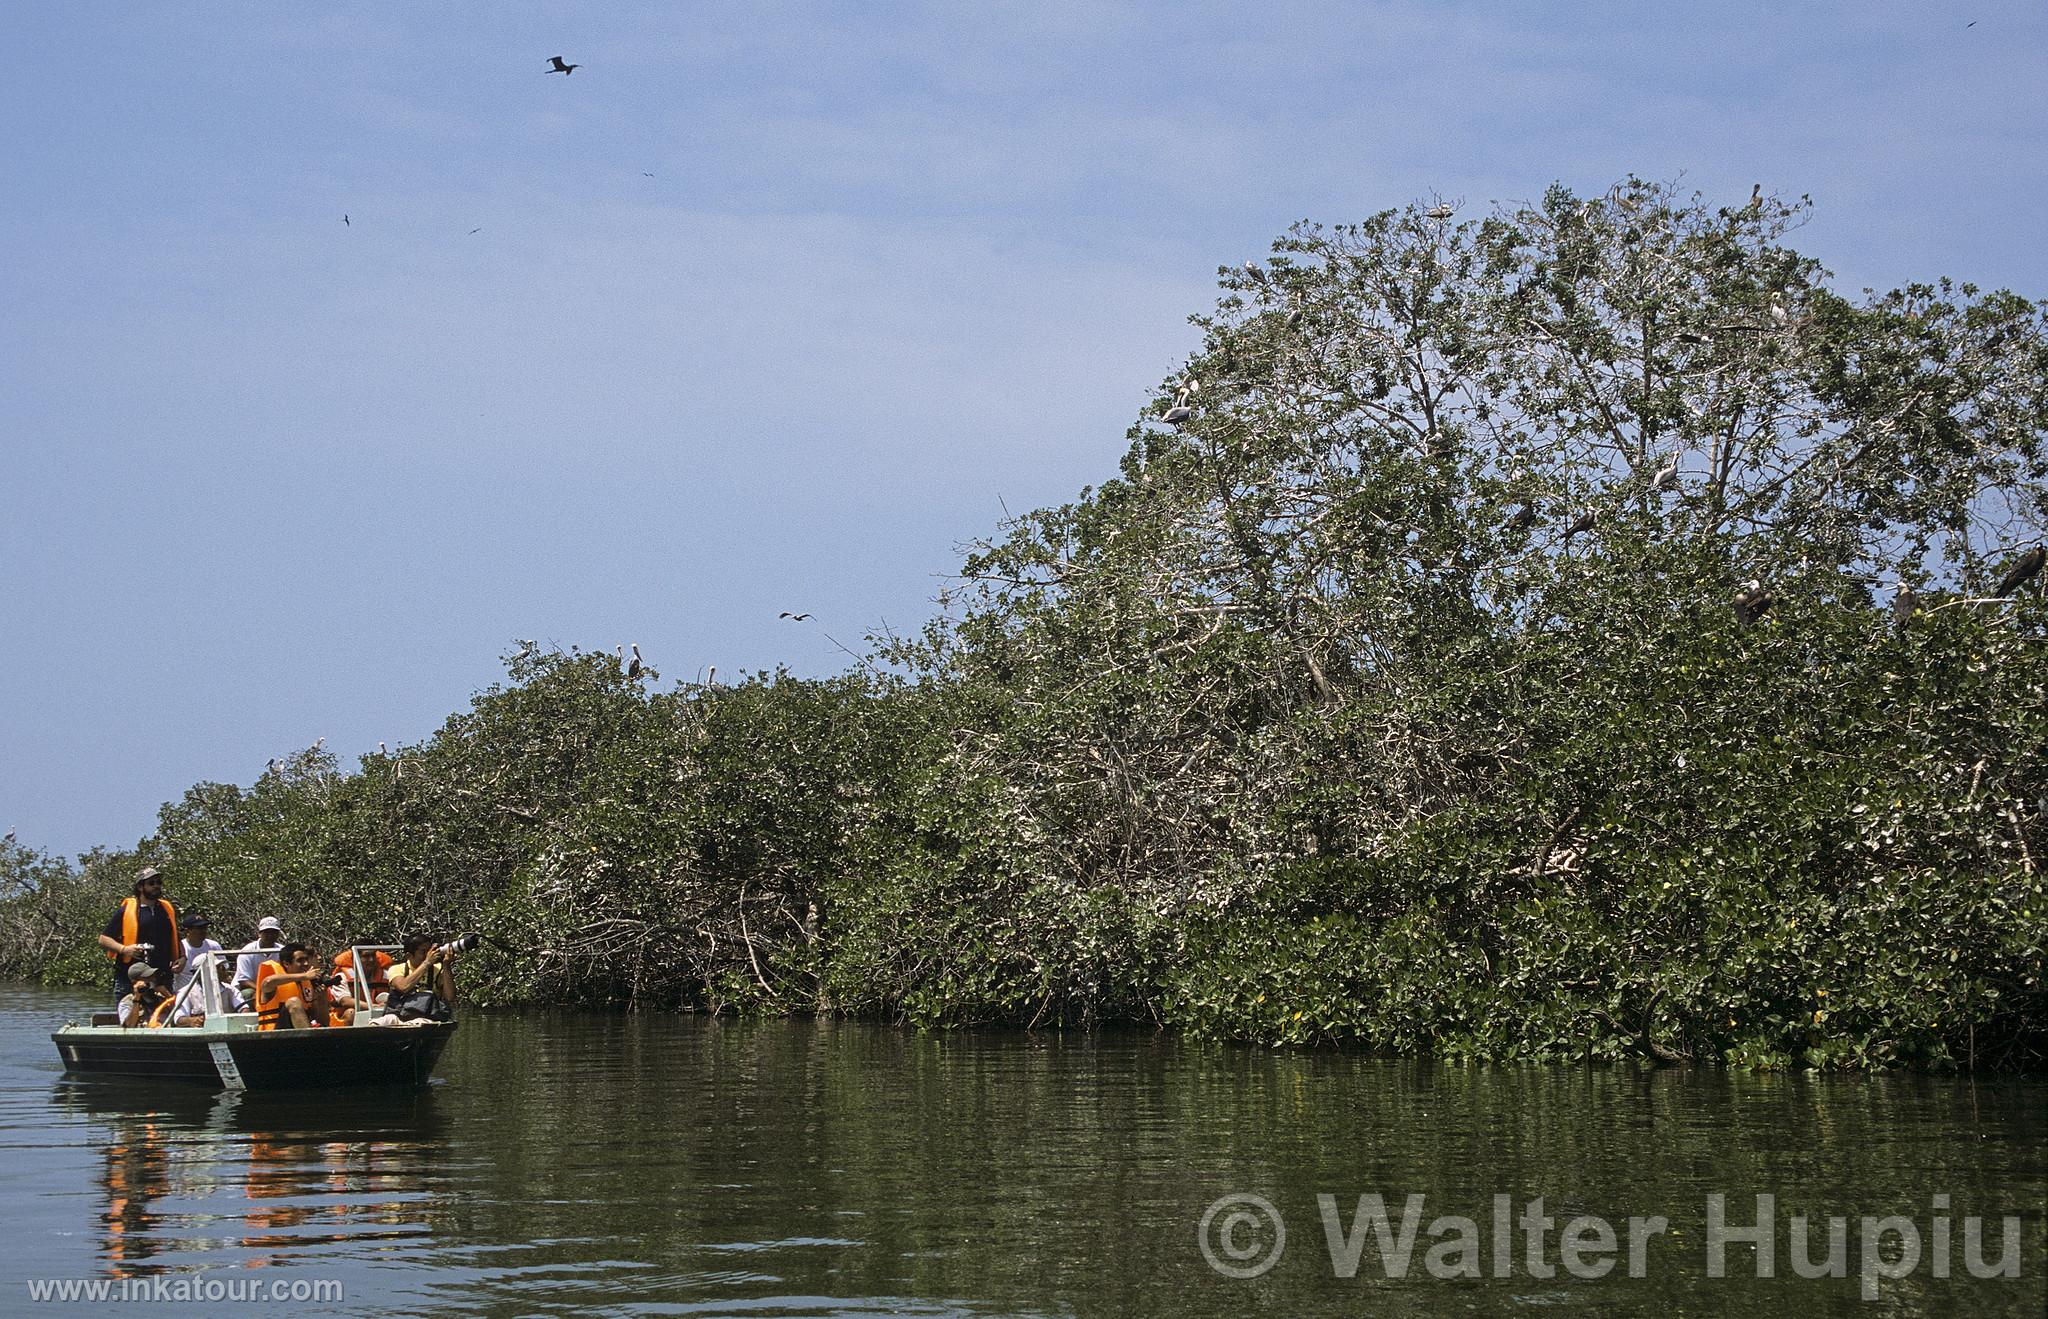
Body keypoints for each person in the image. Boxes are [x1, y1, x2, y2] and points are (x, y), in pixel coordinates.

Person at [97, 866, 181, 1001]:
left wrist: (182, 958)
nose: (156, 886)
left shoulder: (166, 909)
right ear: (141, 887)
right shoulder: (126, 910)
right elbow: (103, 939)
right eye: (151, 883)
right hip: (129, 978)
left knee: (162, 1018)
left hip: (162, 977)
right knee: (130, 1018)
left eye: (159, 882)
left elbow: (175, 938)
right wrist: (124, 949)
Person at [253, 942, 329, 1031]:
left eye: (306, 959)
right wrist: (305, 976)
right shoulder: (274, 982)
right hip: (273, 1035)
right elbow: (267, 982)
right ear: (286, 964)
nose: (306, 963)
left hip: (300, 1034)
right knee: (294, 1002)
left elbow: (323, 1022)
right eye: (300, 960)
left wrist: (322, 1000)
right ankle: (309, 1041)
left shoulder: (308, 984)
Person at [382, 933, 458, 1021]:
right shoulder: (397, 969)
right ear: (409, 956)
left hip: (428, 1017)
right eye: (423, 952)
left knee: (420, 1021)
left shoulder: (438, 969)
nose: (429, 955)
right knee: (386, 1020)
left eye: (429, 951)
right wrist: (427, 963)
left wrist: (446, 966)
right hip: (400, 1015)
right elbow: (403, 987)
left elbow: (450, 997)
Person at [234, 916, 286, 1006]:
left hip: (275, 987)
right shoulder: (247, 951)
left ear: (278, 934)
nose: (270, 935)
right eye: (266, 932)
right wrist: (263, 989)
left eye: (273, 932)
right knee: (248, 993)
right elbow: (244, 981)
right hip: (252, 988)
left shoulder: (282, 950)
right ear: (259, 934)